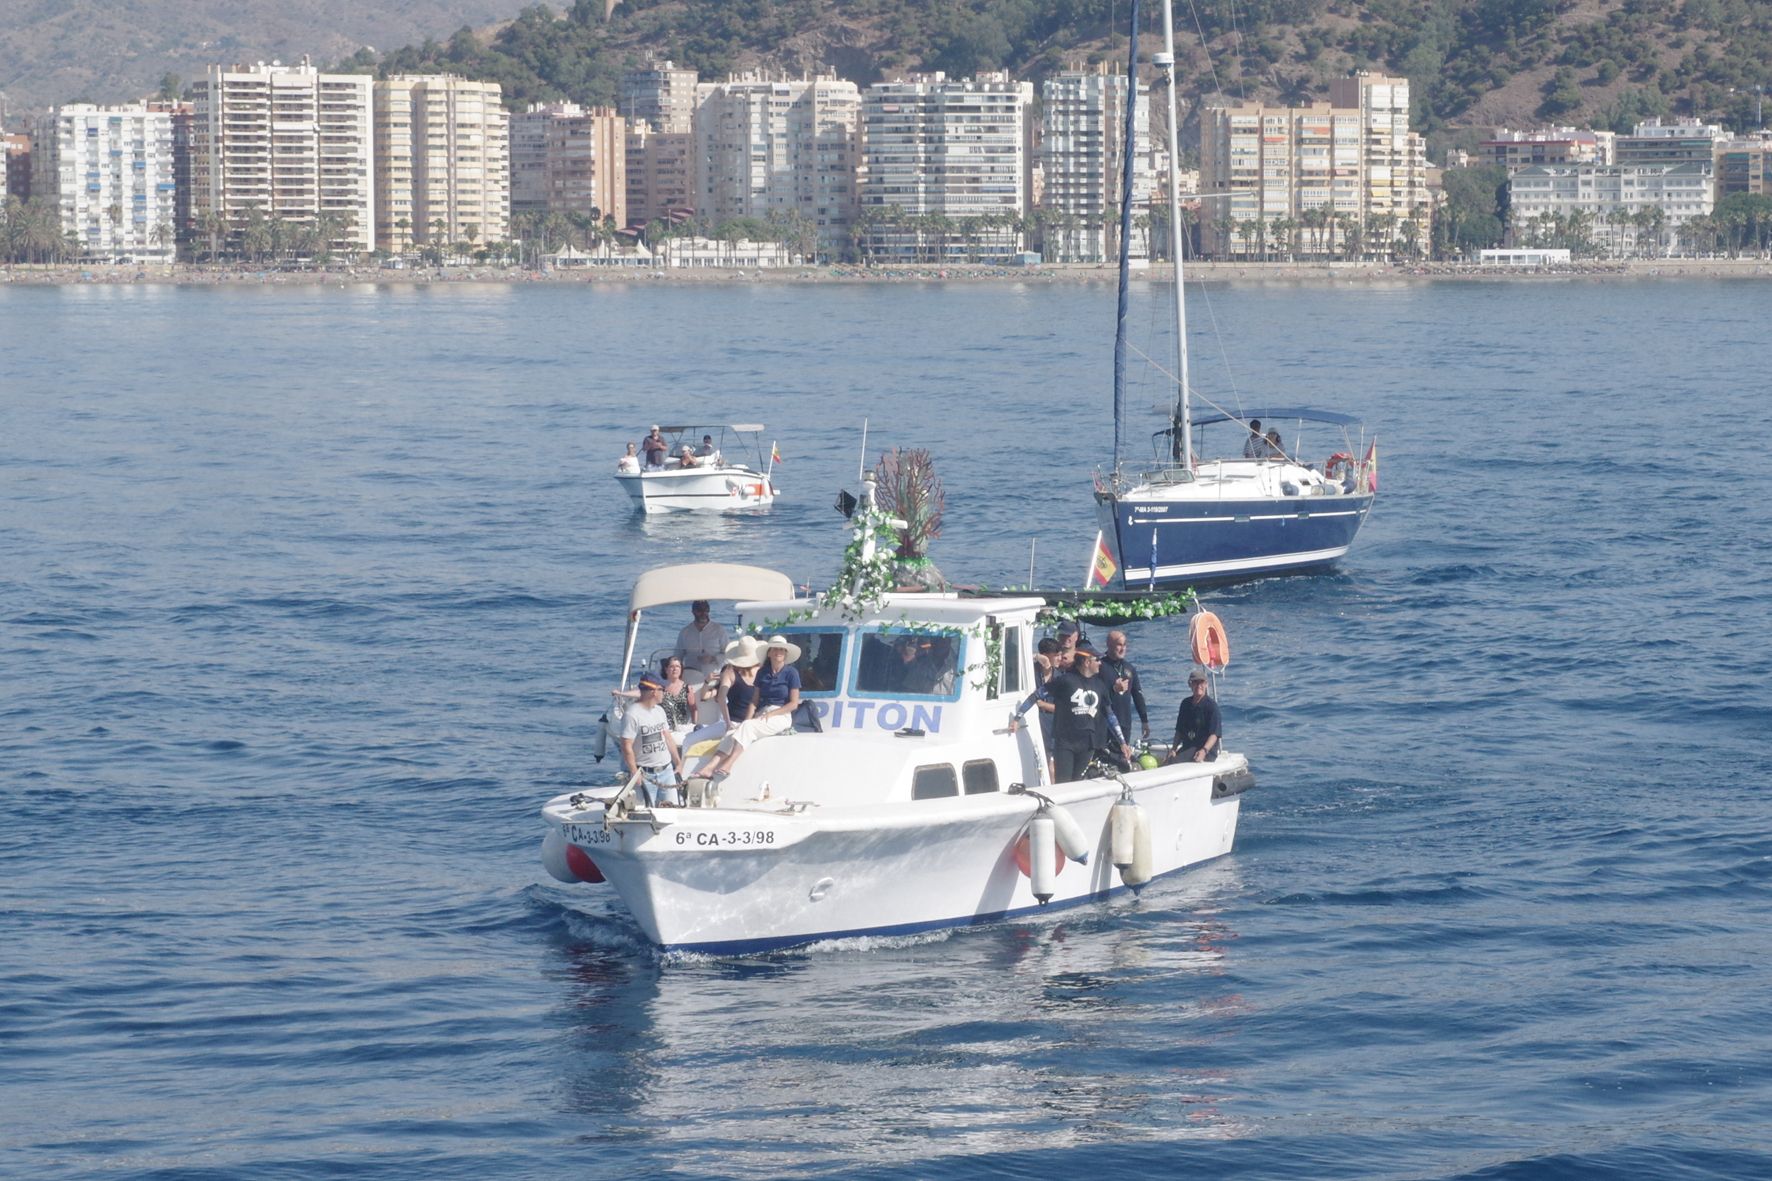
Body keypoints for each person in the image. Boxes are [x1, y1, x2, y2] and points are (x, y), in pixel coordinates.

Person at [1013, 640, 1131, 782]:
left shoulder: (1100, 685)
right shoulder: (1066, 681)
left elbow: (1109, 715)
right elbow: (1036, 695)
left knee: (1077, 782)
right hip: (1065, 744)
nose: (1100, 663)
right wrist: (1017, 718)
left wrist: (1122, 742)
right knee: (1063, 782)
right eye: (1097, 660)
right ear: (1087, 662)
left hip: (1088, 744)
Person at [698, 635, 801, 782]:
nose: (779, 652)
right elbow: (754, 701)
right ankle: (710, 767)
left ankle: (728, 765)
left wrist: (772, 714)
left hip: (780, 715)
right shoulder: (763, 673)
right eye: (776, 649)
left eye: (782, 650)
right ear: (769, 653)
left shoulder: (792, 673)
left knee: (747, 727)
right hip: (762, 713)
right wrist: (747, 720)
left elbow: (793, 704)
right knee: (735, 731)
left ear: (786, 654)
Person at [617, 674, 686, 806]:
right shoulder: (632, 715)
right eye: (662, 690)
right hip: (645, 775)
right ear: (654, 691)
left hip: (666, 771)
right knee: (645, 811)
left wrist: (678, 762)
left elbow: (667, 738)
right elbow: (626, 746)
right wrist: (634, 772)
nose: (664, 694)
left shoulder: (659, 711)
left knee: (672, 809)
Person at [1099, 630, 1151, 746]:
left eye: (1124, 645)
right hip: (1105, 723)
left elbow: (1138, 695)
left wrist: (1144, 721)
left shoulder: (1129, 668)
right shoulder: (1100, 666)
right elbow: (1095, 694)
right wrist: (1113, 689)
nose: (1122, 649)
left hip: (1125, 722)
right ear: (1109, 644)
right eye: (1119, 645)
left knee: (1122, 756)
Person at [1169, 668, 1222, 763]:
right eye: (1195, 683)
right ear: (1190, 685)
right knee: (1169, 760)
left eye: (1201, 682)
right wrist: (1173, 749)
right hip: (1188, 748)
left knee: (1175, 762)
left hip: (1206, 751)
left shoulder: (1211, 706)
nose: (1198, 686)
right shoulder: (1185, 704)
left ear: (1206, 684)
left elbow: (1214, 734)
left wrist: (1204, 751)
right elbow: (1179, 730)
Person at [675, 600, 728, 679]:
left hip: (713, 679)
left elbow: (729, 655)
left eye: (706, 610)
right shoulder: (685, 632)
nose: (703, 613)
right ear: (693, 612)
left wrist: (713, 659)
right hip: (690, 679)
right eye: (700, 611)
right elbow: (678, 656)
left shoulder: (719, 630)